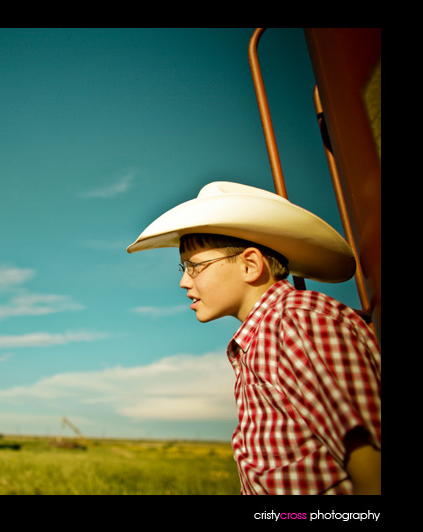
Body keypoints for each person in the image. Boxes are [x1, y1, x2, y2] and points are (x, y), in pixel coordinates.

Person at [127, 181, 381, 495]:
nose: (183, 282)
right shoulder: (262, 336)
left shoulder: (296, 320)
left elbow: (369, 458)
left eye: (195, 267)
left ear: (250, 265)